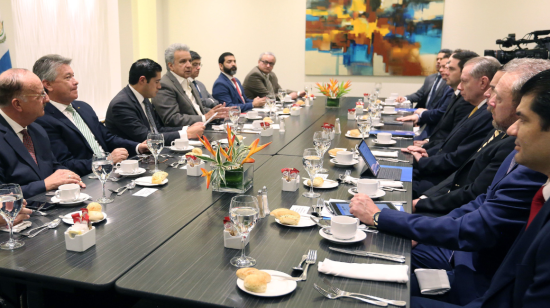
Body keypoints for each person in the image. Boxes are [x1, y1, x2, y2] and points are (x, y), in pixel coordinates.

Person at [410, 68, 550, 308]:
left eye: (523, 119)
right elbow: (470, 185)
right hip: (467, 255)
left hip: (472, 270)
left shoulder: (526, 160)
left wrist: (387, 216)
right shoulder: (510, 145)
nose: (490, 99)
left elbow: (474, 211)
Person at [414, 59, 550, 215]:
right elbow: (464, 174)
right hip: (451, 201)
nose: (488, 97)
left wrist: (421, 205)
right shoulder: (497, 126)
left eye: (495, 92)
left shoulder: (516, 146)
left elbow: (479, 205)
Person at [33, 54, 148, 176]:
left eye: (73, 76)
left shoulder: (83, 107)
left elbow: (107, 138)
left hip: (113, 172)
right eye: (68, 77)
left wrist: (138, 147)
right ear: (48, 85)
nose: (76, 81)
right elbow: (65, 164)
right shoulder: (43, 119)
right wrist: (105, 162)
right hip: (87, 179)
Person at [406, 56, 500, 196]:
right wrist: (426, 152)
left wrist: (424, 161)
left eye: (464, 81)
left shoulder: (487, 115)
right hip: (437, 169)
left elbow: (459, 159)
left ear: (483, 82)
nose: (460, 87)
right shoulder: (477, 108)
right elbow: (449, 142)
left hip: (442, 180)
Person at [0, 68, 83, 198]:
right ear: (17, 104)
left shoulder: (37, 129)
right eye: (41, 95)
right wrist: (44, 184)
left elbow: (53, 165)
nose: (47, 99)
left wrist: (68, 176)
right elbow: (2, 196)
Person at [105, 59, 204, 145]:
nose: (159, 86)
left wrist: (187, 128)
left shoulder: (144, 98)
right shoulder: (122, 104)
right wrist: (186, 134)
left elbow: (157, 129)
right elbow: (145, 137)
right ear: (142, 80)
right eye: (156, 82)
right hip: (132, 160)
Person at [416, 50, 479, 149]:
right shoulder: (455, 93)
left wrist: (426, 149)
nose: (445, 72)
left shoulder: (467, 100)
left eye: (451, 69)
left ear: (464, 72)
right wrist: (427, 141)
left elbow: (452, 142)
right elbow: (443, 130)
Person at [153, 44, 226, 127]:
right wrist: (204, 117)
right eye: (183, 61)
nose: (189, 65)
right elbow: (172, 118)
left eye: (189, 61)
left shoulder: (188, 81)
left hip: (202, 129)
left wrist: (216, 114)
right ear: (171, 66)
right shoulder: (165, 85)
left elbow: (197, 109)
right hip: (184, 136)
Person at [397, 53, 454, 140]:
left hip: (431, 124)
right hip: (424, 119)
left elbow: (441, 113)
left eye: (446, 67)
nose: (438, 62)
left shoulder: (449, 85)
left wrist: (421, 115)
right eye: (437, 59)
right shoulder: (430, 78)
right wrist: (405, 98)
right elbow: (419, 94)